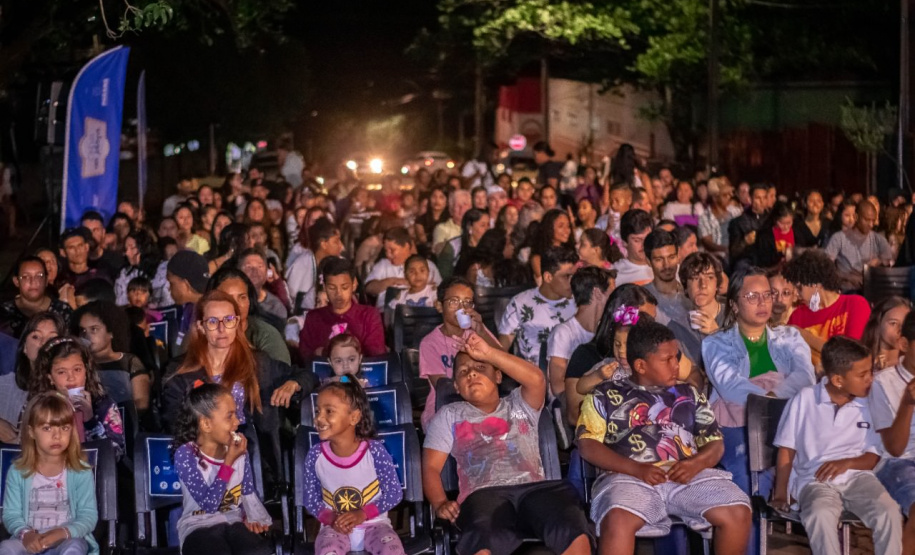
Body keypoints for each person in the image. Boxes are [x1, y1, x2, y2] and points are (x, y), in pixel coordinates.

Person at [577, 320, 751, 555]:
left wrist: (695, 463)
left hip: (688, 475)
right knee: (618, 519)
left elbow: (714, 442)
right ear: (640, 365)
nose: (676, 366)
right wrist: (637, 469)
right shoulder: (605, 394)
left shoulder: (689, 393)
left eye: (676, 357)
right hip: (628, 477)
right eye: (666, 360)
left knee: (737, 511)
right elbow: (587, 445)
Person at [422, 331, 593, 555]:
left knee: (572, 526)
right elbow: (430, 468)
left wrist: (489, 353)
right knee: (481, 538)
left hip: (535, 490)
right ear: (456, 386)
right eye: (463, 372)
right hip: (483, 495)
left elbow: (537, 379)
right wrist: (439, 502)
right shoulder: (448, 415)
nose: (472, 373)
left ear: (498, 376)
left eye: (481, 367)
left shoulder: (519, 403)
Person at [702, 267, 815, 553]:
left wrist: (772, 397)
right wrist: (772, 398)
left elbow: (805, 378)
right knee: (745, 478)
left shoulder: (790, 337)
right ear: (734, 303)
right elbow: (730, 387)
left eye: (767, 295)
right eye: (752, 296)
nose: (763, 302)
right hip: (737, 423)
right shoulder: (715, 343)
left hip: (787, 423)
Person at [771, 336, 903, 555]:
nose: (870, 379)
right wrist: (780, 494)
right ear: (838, 380)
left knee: (888, 511)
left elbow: (872, 457)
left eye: (870, 372)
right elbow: (786, 449)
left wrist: (847, 463)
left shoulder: (871, 403)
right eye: (862, 375)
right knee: (819, 514)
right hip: (815, 480)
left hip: (858, 477)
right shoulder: (805, 399)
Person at [161, 290, 310, 433]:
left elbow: (307, 375)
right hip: (204, 452)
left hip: (253, 451)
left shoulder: (257, 362)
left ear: (237, 322)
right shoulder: (180, 372)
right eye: (213, 322)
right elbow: (175, 425)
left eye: (229, 320)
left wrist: (293, 384)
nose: (222, 328)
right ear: (201, 327)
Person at [304, 380, 406, 555]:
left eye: (329, 411)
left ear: (354, 417)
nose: (319, 418)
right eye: (317, 411)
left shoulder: (374, 452)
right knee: (328, 551)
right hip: (334, 529)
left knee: (392, 550)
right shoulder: (315, 456)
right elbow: (310, 500)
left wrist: (363, 514)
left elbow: (393, 493)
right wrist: (331, 518)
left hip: (375, 525)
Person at [171, 383, 273, 555]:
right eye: (230, 416)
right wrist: (228, 462)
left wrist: (250, 516)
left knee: (258, 550)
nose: (238, 421)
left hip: (232, 521)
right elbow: (210, 505)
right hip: (198, 524)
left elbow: (246, 491)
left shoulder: (238, 450)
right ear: (206, 424)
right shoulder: (186, 454)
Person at [0, 393, 99, 555]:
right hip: (30, 541)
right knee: (6, 548)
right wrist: (26, 534)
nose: (57, 436)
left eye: (64, 428)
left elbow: (88, 516)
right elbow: (11, 514)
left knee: (74, 548)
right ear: (31, 432)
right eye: (47, 428)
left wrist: (63, 532)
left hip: (67, 538)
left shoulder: (80, 470)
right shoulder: (18, 471)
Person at [564, 285, 658, 428]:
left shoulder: (653, 360)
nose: (648, 329)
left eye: (651, 322)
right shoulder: (600, 362)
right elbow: (574, 414)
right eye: (618, 344)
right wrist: (599, 375)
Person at [418, 276, 501, 429]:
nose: (461, 308)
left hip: (481, 405)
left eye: (467, 302)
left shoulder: (477, 333)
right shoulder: (429, 343)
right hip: (444, 409)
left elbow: (505, 361)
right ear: (439, 306)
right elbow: (444, 388)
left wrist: (481, 331)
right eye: (454, 301)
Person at [31, 337, 125, 458]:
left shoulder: (104, 405)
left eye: (77, 369)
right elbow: (29, 450)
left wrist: (90, 421)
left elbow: (115, 455)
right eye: (61, 372)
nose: (71, 378)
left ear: (86, 371)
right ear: (50, 377)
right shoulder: (39, 407)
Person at [870, 311, 915, 553]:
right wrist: (907, 404)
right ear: (904, 344)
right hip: (897, 463)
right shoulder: (883, 383)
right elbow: (895, 449)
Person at [784, 249, 871, 368]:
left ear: (816, 284)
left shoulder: (855, 305)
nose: (796, 295)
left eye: (799, 288)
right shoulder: (798, 316)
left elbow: (850, 356)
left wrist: (803, 335)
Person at [498, 247, 578, 363]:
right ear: (548, 277)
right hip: (533, 375)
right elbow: (502, 348)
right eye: (566, 276)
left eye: (574, 276)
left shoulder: (580, 302)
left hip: (573, 373)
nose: (573, 281)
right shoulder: (520, 303)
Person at [547, 267, 614, 402]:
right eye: (611, 293)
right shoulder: (564, 333)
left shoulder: (608, 331)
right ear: (597, 293)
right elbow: (557, 387)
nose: (615, 299)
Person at [299, 258, 386, 358]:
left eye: (344, 287)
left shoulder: (369, 315)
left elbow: (376, 354)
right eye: (332, 288)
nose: (338, 294)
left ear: (354, 285)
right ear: (324, 287)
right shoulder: (313, 318)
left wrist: (325, 352)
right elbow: (305, 357)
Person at [73, 301, 150, 413]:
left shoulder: (129, 362)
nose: (87, 336)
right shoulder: (79, 363)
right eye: (83, 331)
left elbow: (141, 403)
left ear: (111, 332)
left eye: (94, 329)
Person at [668, 253, 726, 392]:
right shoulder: (675, 328)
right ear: (685, 287)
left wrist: (716, 334)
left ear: (717, 284)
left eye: (709, 278)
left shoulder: (734, 317)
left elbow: (744, 362)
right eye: (694, 278)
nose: (702, 285)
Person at [365, 228, 441, 311]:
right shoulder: (383, 265)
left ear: (406, 246)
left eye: (392, 250)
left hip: (424, 312)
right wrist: (394, 281)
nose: (388, 255)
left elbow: (440, 290)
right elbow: (369, 288)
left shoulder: (427, 265)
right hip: (387, 312)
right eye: (386, 251)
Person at [825, 199, 894, 290]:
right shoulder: (839, 238)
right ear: (856, 217)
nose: (871, 224)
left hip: (872, 288)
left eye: (873, 221)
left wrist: (880, 262)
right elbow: (825, 267)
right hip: (846, 289)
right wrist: (848, 277)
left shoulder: (879, 239)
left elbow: (890, 264)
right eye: (867, 220)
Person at [0, 257, 72, 339]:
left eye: (39, 276)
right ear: (16, 281)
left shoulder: (63, 311)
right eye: (26, 277)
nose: (33, 281)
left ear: (46, 280)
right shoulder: (4, 312)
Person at [286, 218, 345, 316]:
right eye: (336, 241)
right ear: (324, 244)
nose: (341, 246)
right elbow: (292, 299)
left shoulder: (342, 262)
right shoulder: (301, 264)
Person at [166, 250, 210, 354]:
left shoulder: (206, 315)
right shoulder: (189, 309)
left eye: (171, 283)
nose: (169, 288)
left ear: (186, 284)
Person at [642, 230, 688, 327]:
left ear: (678, 256)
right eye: (659, 259)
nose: (667, 265)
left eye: (671, 257)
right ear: (648, 261)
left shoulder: (691, 294)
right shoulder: (642, 298)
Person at [238, 248, 287, 325]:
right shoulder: (232, 303)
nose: (255, 271)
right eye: (248, 267)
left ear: (266, 272)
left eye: (260, 266)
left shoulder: (276, 307)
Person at [437, 209, 489, 280]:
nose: (487, 229)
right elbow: (443, 275)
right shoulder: (454, 246)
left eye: (488, 225)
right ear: (469, 227)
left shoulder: (491, 246)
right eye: (483, 225)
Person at [862, 297, 912, 371]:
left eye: (905, 324)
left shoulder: (911, 364)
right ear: (878, 322)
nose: (900, 330)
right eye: (893, 323)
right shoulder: (860, 361)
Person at [698, 178, 743, 258]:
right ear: (715, 198)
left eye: (730, 194)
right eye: (725, 195)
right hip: (718, 255)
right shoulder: (705, 218)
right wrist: (727, 249)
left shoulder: (736, 212)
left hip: (738, 252)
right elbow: (708, 243)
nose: (729, 197)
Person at [728, 183, 770, 267]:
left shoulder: (772, 219)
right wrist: (745, 242)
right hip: (748, 263)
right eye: (758, 198)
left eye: (764, 197)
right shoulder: (738, 222)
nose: (762, 201)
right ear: (750, 199)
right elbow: (733, 252)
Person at [114, 231, 159, 307]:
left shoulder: (162, 269)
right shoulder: (124, 274)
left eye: (132, 248)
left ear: (144, 248)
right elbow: (121, 303)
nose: (127, 253)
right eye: (126, 249)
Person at [530, 209, 575, 284]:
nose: (567, 230)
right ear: (549, 228)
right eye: (561, 226)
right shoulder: (538, 258)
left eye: (568, 226)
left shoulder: (571, 253)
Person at [614, 209, 654, 286]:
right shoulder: (616, 274)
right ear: (624, 242)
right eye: (637, 240)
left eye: (647, 238)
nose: (644, 244)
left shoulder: (666, 267)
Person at [752, 201, 795, 269]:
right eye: (782, 223)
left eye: (789, 223)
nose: (786, 227)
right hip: (772, 270)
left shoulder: (797, 231)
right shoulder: (765, 235)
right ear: (775, 220)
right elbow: (763, 260)